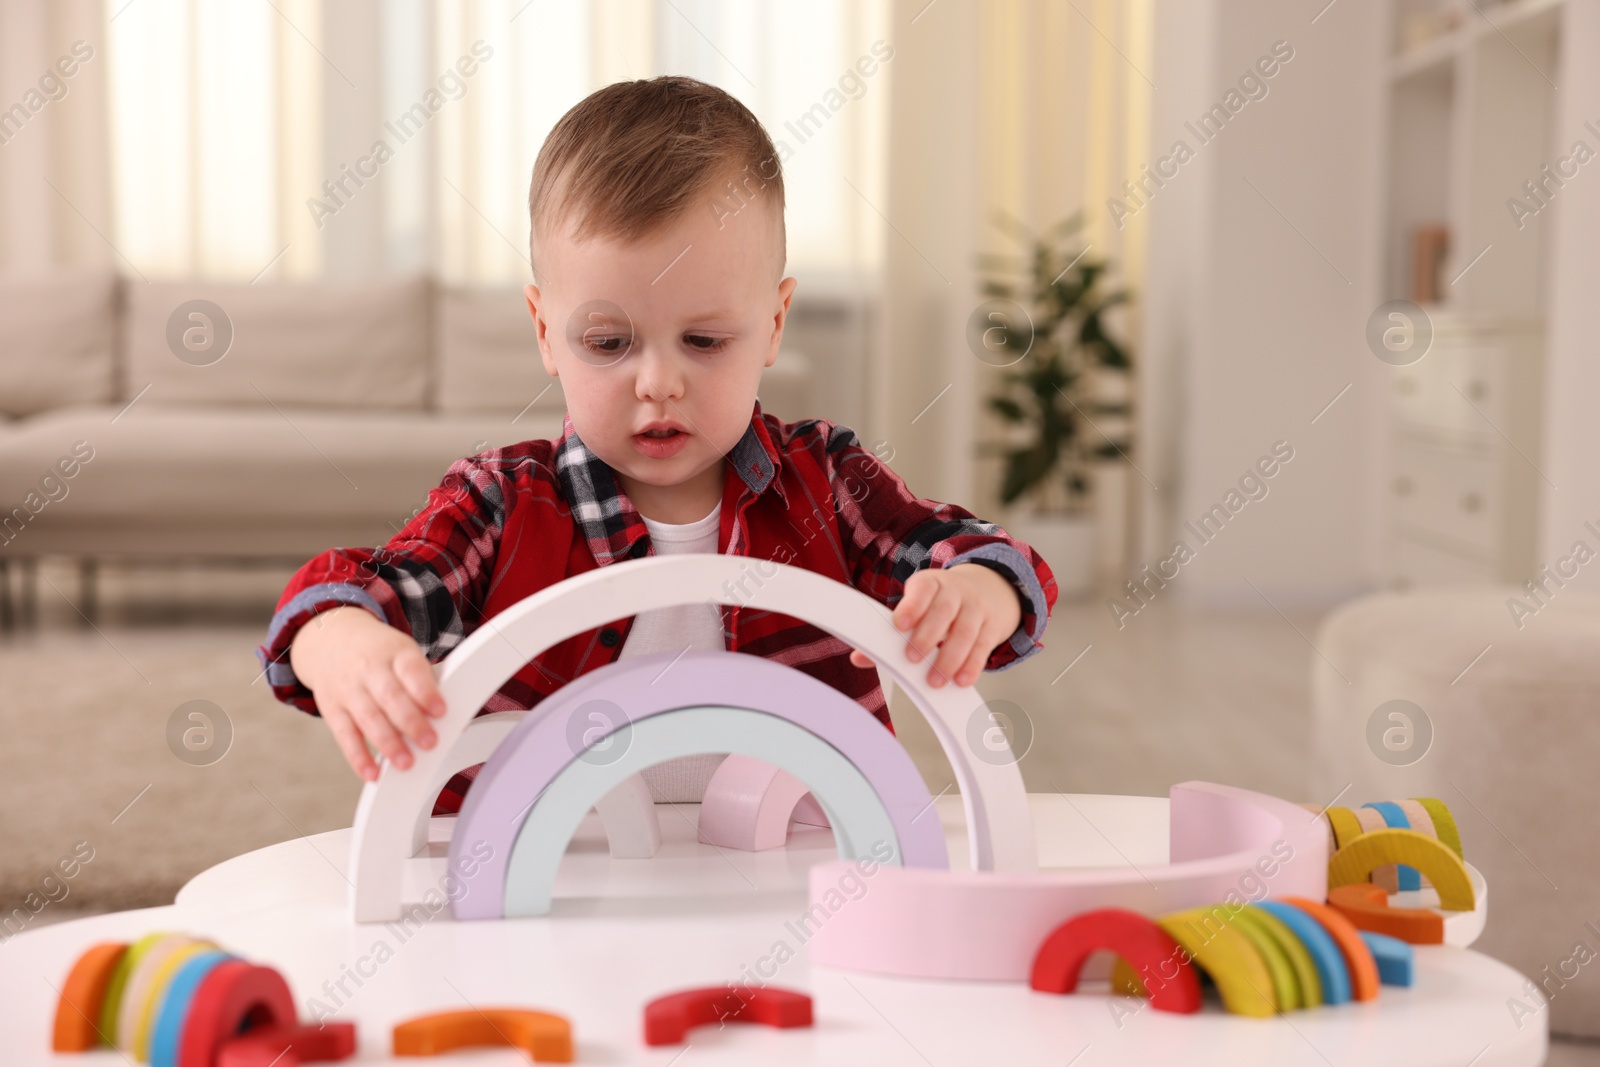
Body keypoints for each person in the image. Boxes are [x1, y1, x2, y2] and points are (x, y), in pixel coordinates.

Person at [255, 75, 1058, 809]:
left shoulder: (828, 480)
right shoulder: (502, 501)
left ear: (774, 324)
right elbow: (369, 590)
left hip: (804, 880)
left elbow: (983, 558)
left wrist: (979, 594)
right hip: (544, 893)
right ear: (545, 330)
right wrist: (337, 639)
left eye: (704, 340)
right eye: (608, 343)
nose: (658, 383)